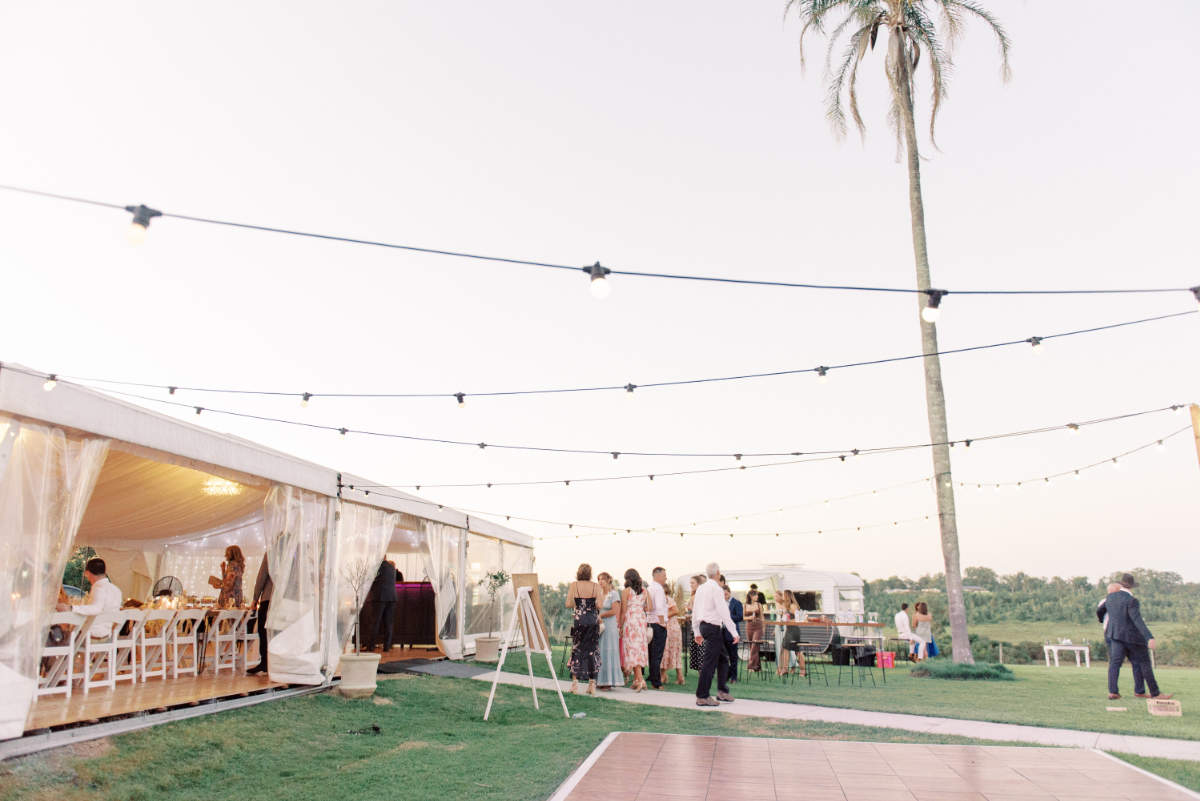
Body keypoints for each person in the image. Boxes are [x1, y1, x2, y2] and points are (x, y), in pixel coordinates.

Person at [1105, 573, 1171, 700]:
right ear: (1131, 587)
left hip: (1115, 636)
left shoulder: (1110, 598)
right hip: (1133, 637)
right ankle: (1155, 693)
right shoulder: (1131, 600)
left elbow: (1109, 616)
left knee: (1115, 664)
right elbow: (1137, 620)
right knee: (1144, 663)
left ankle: (1113, 692)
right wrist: (1149, 637)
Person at [693, 562, 738, 707]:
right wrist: (734, 632)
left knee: (723, 659)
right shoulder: (717, 589)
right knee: (710, 662)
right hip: (713, 628)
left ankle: (722, 691)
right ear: (718, 572)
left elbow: (695, 610)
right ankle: (702, 696)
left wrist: (697, 631)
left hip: (704, 626)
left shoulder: (701, 588)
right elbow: (723, 611)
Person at [1096, 581, 1144, 693]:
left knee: (1115, 662)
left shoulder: (1103, 601)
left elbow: (1099, 614)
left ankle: (1113, 691)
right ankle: (1139, 690)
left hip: (1110, 633)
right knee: (1136, 661)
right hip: (1124, 634)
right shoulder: (1121, 600)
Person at [60, 558, 122, 637]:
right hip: (107, 634)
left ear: (87, 573)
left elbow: (96, 608)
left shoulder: (99, 588)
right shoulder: (116, 590)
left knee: (62, 631)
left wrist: (71, 608)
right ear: (104, 572)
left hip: (91, 633)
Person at [566, 563, 603, 695]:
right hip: (592, 621)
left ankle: (575, 685)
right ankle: (591, 685)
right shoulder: (596, 586)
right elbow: (599, 604)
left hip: (579, 621)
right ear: (590, 574)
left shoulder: (574, 585)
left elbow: (568, 604)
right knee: (592, 651)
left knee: (577, 649)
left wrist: (578, 606)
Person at [619, 568, 650, 691]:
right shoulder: (645, 591)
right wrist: (640, 606)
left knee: (632, 649)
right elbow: (649, 608)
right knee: (638, 648)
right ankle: (638, 680)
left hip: (631, 620)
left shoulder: (626, 591)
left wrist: (620, 626)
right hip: (641, 620)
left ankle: (640, 680)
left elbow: (623, 610)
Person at [596, 572, 623, 691]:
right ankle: (600, 680)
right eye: (599, 580)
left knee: (609, 652)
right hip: (600, 626)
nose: (600, 582)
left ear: (608, 581)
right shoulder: (600, 594)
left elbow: (615, 611)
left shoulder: (614, 594)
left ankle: (609, 681)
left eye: (602, 579)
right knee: (600, 651)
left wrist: (602, 615)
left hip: (610, 626)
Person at [247, 554, 273, 675]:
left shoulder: (272, 551)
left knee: (263, 630)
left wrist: (255, 598)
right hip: (284, 599)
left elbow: (262, 575)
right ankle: (274, 663)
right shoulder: (295, 551)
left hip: (269, 597)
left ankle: (265, 663)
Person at [646, 566, 669, 689]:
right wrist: (662, 623)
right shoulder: (659, 588)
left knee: (651, 653)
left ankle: (652, 677)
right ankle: (656, 682)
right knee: (657, 654)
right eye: (664, 575)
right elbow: (659, 607)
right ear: (657, 575)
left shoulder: (649, 588)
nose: (666, 577)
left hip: (650, 623)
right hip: (658, 623)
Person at [369, 558, 398, 652]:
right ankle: (387, 647)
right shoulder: (392, 568)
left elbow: (370, 580)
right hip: (392, 597)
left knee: (375, 622)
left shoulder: (377, 567)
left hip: (380, 596)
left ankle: (371, 646)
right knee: (389, 623)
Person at [661, 579, 685, 686]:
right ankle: (678, 677)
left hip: (671, 628)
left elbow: (675, 611)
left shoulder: (667, 600)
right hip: (670, 627)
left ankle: (664, 676)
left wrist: (665, 616)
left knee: (668, 651)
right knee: (670, 652)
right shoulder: (664, 600)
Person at [723, 584, 743, 682]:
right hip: (721, 633)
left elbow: (740, 617)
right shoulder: (720, 603)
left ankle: (733, 677)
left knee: (733, 656)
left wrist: (728, 617)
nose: (724, 595)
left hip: (732, 633)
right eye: (722, 594)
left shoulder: (736, 603)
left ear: (729, 592)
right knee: (723, 656)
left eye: (726, 593)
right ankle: (726, 674)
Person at [744, 586, 765, 673]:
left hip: (758, 627)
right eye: (755, 595)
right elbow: (743, 617)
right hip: (749, 627)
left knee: (754, 645)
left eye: (757, 595)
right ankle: (758, 667)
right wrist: (749, 617)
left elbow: (762, 617)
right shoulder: (745, 605)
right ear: (750, 596)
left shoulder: (759, 605)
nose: (757, 597)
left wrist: (763, 628)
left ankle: (751, 666)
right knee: (752, 646)